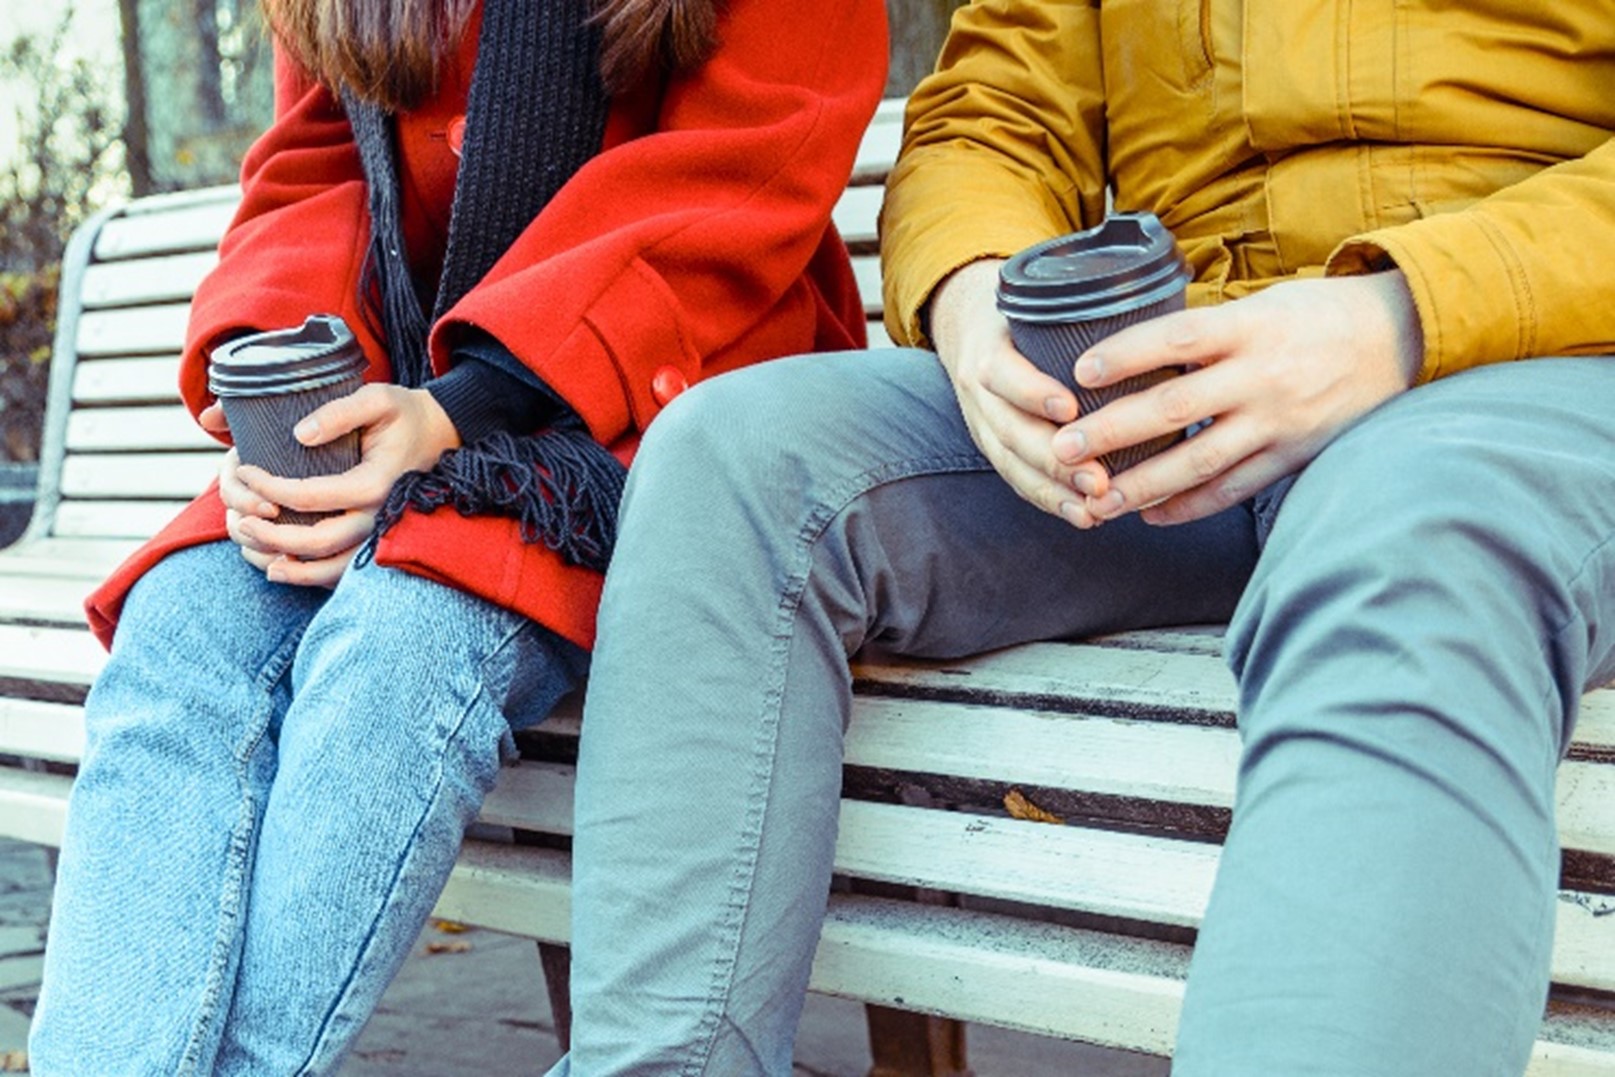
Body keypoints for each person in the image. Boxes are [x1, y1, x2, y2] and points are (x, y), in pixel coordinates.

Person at [548, 2, 1615, 1074]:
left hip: (1531, 371)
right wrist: (973, 301)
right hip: (1175, 383)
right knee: (739, 457)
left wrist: (1401, 314)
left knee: (1410, 558)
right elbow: (997, 108)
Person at [28, 0, 886, 1072]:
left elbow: (746, 168)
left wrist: (461, 410)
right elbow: (318, 164)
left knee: (405, 637)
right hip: (394, 397)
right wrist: (287, 389)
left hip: (642, 421)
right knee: (185, 624)